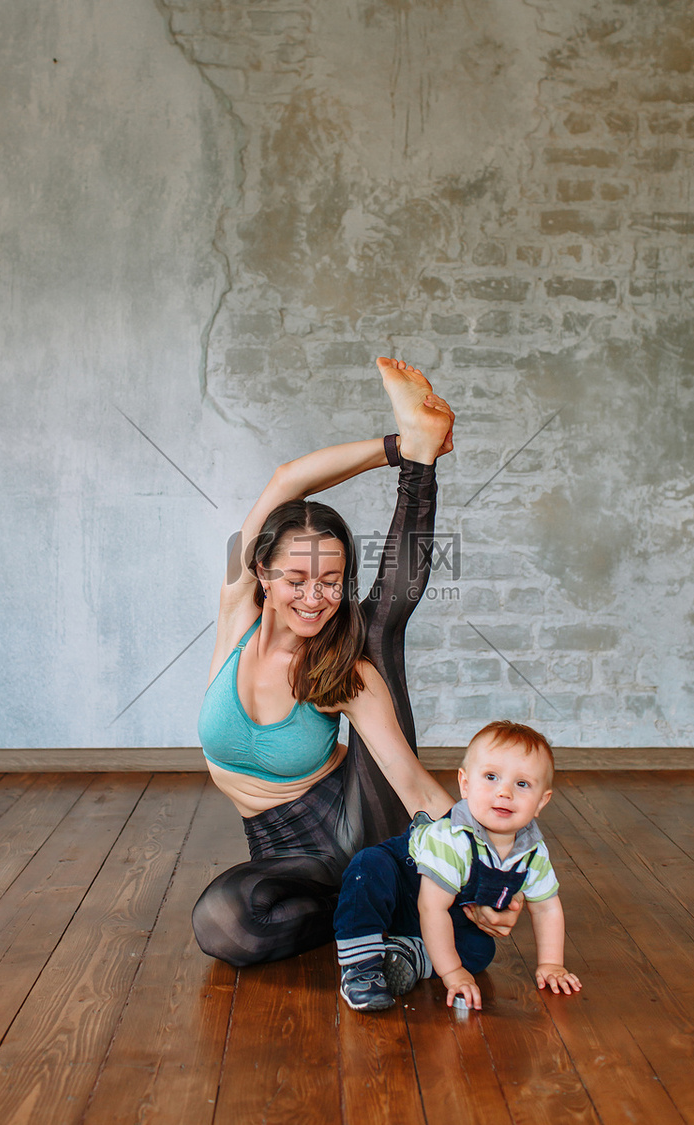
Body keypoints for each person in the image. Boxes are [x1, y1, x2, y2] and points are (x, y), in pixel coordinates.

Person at [193, 358, 471, 966]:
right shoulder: (236, 611)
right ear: (261, 572)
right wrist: (391, 445)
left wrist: (487, 875)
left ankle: (422, 470)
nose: (315, 598)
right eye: (296, 579)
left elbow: (411, 783)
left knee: (376, 632)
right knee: (225, 923)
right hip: (285, 855)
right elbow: (287, 479)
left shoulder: (342, 668)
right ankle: (389, 911)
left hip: (358, 822)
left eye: (332, 581)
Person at [333, 720, 582, 1011]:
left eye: (522, 784)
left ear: (542, 801)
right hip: (406, 890)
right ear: (465, 784)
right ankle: (360, 966)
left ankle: (408, 954)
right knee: (368, 868)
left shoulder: (532, 852)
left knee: (480, 950)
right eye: (491, 777)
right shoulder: (453, 838)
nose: (505, 792)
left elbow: (547, 907)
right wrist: (451, 972)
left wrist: (551, 964)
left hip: (445, 914)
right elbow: (431, 907)